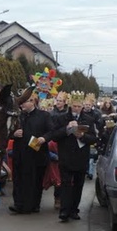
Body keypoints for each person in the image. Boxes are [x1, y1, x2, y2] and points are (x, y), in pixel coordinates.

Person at [44, 91, 99, 222]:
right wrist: (67, 129)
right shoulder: (62, 118)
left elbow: (93, 138)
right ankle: (64, 210)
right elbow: (54, 136)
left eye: (79, 107)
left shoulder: (88, 119)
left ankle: (74, 209)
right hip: (66, 156)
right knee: (66, 184)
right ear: (70, 105)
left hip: (81, 157)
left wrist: (82, 136)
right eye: (74, 106)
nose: (77, 109)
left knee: (78, 184)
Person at [9, 93, 55, 214]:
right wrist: (13, 134)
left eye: (25, 101)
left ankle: (33, 204)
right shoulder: (18, 116)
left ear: (33, 102)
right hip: (20, 153)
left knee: (35, 181)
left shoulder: (44, 116)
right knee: (18, 179)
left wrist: (43, 138)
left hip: (36, 154)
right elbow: (7, 131)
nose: (22, 104)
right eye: (22, 102)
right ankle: (19, 204)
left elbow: (51, 131)